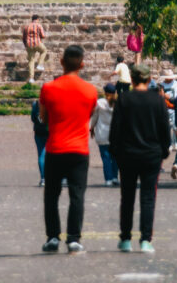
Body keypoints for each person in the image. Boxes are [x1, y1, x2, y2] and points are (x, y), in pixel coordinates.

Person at [39, 45, 97, 255]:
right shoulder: (90, 90)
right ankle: (74, 238)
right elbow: (89, 115)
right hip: (79, 149)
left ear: (61, 62)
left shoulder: (48, 88)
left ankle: (53, 236)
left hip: (55, 147)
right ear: (82, 64)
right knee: (77, 195)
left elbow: (44, 118)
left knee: (51, 195)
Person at [109, 65, 169, 255]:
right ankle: (145, 240)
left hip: (127, 154)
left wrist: (115, 152)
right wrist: (164, 152)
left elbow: (115, 129)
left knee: (127, 197)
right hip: (151, 154)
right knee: (148, 197)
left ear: (132, 80)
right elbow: (164, 130)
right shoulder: (158, 100)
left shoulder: (124, 99)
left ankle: (125, 238)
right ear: (149, 78)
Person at [90, 83, 119, 186]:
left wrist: (91, 127)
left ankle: (108, 178)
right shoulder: (118, 103)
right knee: (115, 157)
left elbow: (94, 117)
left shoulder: (100, 103)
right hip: (115, 133)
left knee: (106, 157)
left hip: (102, 132)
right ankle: (115, 177)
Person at [22, 14, 47, 83]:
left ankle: (31, 78)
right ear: (37, 19)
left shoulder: (26, 26)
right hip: (37, 43)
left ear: (32, 19)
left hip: (29, 45)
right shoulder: (39, 25)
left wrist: (26, 45)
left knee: (31, 61)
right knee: (44, 51)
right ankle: (39, 64)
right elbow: (43, 35)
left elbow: (23, 38)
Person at [31, 98, 48, 187]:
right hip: (50, 132)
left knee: (41, 154)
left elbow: (33, 118)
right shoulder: (51, 103)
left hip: (38, 132)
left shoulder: (36, 104)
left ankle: (43, 178)